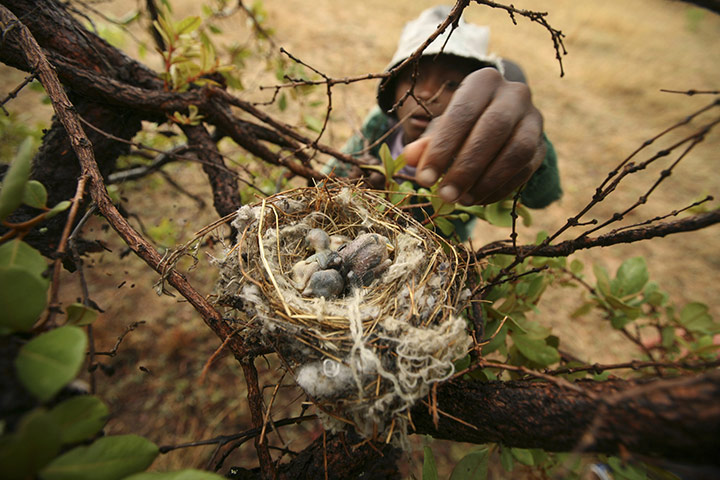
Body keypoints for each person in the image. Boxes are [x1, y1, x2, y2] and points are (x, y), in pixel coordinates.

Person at [340, 5, 562, 232]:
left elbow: (543, 196)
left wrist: (521, 142)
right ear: (394, 88)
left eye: (452, 85)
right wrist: (354, 188)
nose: (426, 94)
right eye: (414, 77)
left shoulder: (478, 145)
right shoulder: (378, 126)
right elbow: (326, 176)